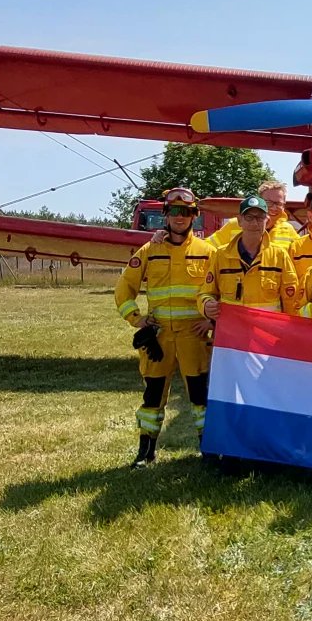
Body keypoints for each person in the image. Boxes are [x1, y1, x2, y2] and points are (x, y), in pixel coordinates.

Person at [114, 187, 214, 469]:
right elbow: (124, 287)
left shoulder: (208, 252)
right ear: (166, 216)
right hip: (159, 337)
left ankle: (207, 449)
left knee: (199, 396)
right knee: (153, 394)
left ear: (194, 215)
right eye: (174, 212)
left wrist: (212, 321)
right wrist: (136, 318)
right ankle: (146, 451)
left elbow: (220, 288)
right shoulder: (149, 250)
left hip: (193, 335)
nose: (179, 218)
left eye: (185, 212)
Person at [198, 195, 300, 319]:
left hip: (266, 335)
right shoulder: (221, 255)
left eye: (260, 218)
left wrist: (290, 330)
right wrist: (206, 305)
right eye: (249, 217)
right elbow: (206, 293)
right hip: (233, 334)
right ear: (239, 221)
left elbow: (291, 301)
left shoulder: (280, 256)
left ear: (267, 221)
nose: (254, 223)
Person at [207, 180, 299, 251]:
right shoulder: (234, 225)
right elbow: (207, 249)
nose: (274, 207)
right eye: (268, 202)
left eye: (279, 203)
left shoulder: (289, 230)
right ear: (259, 202)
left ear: (284, 205)